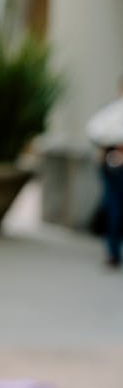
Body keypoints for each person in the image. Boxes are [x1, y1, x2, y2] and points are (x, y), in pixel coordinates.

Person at [86, 76, 123, 268]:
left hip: (112, 163)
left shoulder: (112, 111)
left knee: (114, 206)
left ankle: (113, 252)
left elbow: (94, 130)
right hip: (114, 163)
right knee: (114, 207)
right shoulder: (113, 110)